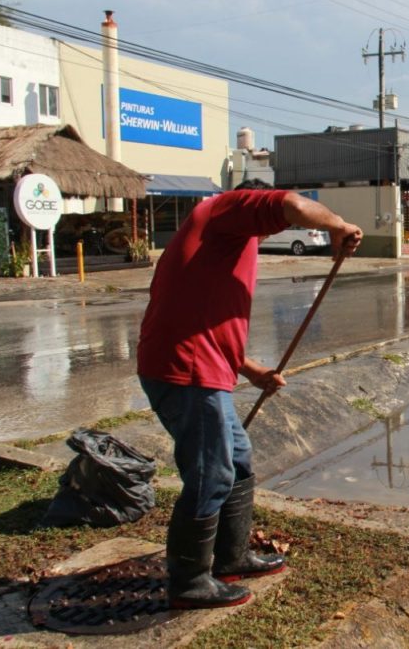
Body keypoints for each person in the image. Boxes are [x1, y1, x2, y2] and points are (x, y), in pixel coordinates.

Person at [137, 182, 362, 610]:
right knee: (211, 472)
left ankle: (231, 557)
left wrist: (251, 369)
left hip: (201, 365)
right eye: (268, 224)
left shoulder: (221, 239)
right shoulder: (226, 208)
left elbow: (204, 314)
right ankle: (188, 582)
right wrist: (338, 225)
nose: (270, 232)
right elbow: (294, 205)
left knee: (236, 459)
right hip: (185, 371)